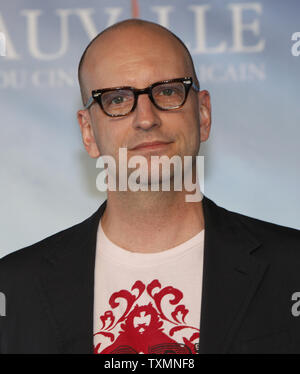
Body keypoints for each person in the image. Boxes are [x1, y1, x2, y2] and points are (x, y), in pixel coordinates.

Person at [0, 19, 299, 355]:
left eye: (168, 91)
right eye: (116, 100)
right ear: (87, 132)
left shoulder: (293, 269)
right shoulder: (14, 289)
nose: (146, 117)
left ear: (203, 114)